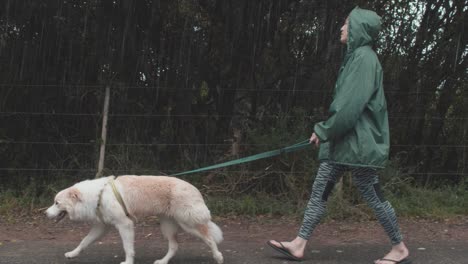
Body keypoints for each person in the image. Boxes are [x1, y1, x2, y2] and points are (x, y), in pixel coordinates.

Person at [267, 7, 411, 264]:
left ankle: (399, 248)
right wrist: (327, 132)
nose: (341, 28)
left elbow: (349, 107)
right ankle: (299, 244)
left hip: (357, 144)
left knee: (373, 195)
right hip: (345, 142)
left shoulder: (364, 60)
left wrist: (323, 130)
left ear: (359, 29)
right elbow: (347, 107)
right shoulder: (356, 57)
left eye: (346, 24)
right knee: (320, 190)